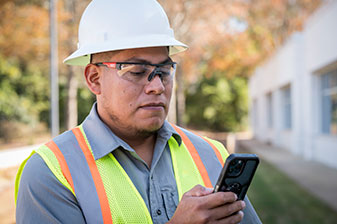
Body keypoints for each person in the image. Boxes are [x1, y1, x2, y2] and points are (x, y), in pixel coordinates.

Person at [15, 0, 261, 223]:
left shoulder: (212, 155)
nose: (157, 86)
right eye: (136, 71)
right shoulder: (50, 174)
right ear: (94, 79)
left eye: (164, 71)